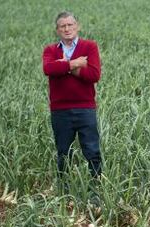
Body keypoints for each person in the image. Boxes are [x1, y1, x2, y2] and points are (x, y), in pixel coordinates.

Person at [42, 11, 102, 195]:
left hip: (85, 108)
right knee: (63, 152)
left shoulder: (89, 47)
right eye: (62, 26)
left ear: (77, 26)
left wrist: (65, 66)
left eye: (70, 25)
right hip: (60, 110)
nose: (67, 29)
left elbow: (94, 75)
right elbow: (48, 69)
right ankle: (64, 191)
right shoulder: (50, 50)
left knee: (92, 150)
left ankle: (96, 189)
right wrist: (75, 63)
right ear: (57, 30)